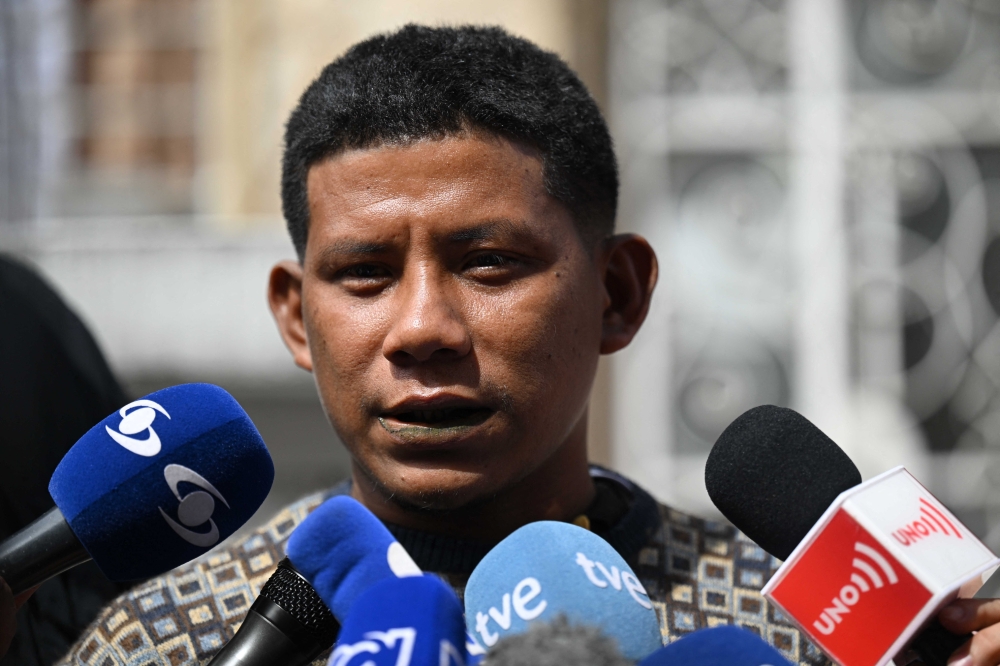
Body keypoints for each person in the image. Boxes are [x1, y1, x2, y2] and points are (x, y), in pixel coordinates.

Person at [51, 25, 1000, 666]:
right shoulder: (166, 638)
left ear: (617, 295)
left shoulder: (801, 632)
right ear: (297, 319)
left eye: (490, 263)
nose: (422, 327)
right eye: (366, 274)